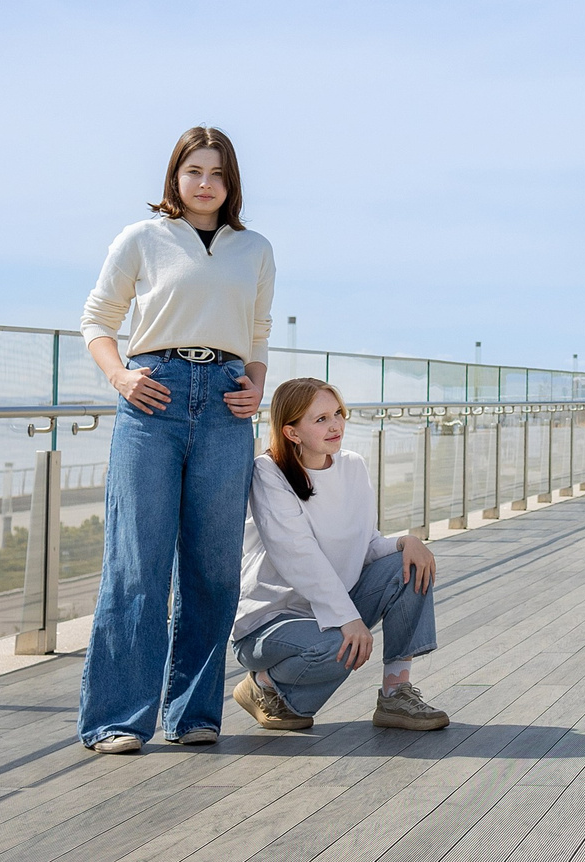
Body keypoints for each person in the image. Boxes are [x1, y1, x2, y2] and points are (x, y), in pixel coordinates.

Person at [77, 126, 274, 754]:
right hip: (152, 395)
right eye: (194, 171)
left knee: (214, 567)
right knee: (138, 562)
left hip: (224, 400)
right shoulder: (142, 239)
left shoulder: (255, 248)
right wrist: (119, 376)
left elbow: (259, 332)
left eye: (217, 173)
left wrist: (256, 387)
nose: (206, 184)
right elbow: (97, 319)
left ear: (231, 181)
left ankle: (193, 714)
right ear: (175, 177)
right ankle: (117, 719)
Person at [231, 378, 449, 733]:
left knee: (409, 565)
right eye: (320, 420)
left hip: (330, 609)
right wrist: (348, 619)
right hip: (270, 622)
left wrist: (405, 542)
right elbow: (298, 555)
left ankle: (396, 694)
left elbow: (365, 545)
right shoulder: (268, 472)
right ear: (292, 432)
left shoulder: (352, 465)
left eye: (338, 414)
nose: (335, 425)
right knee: (338, 646)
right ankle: (264, 686)